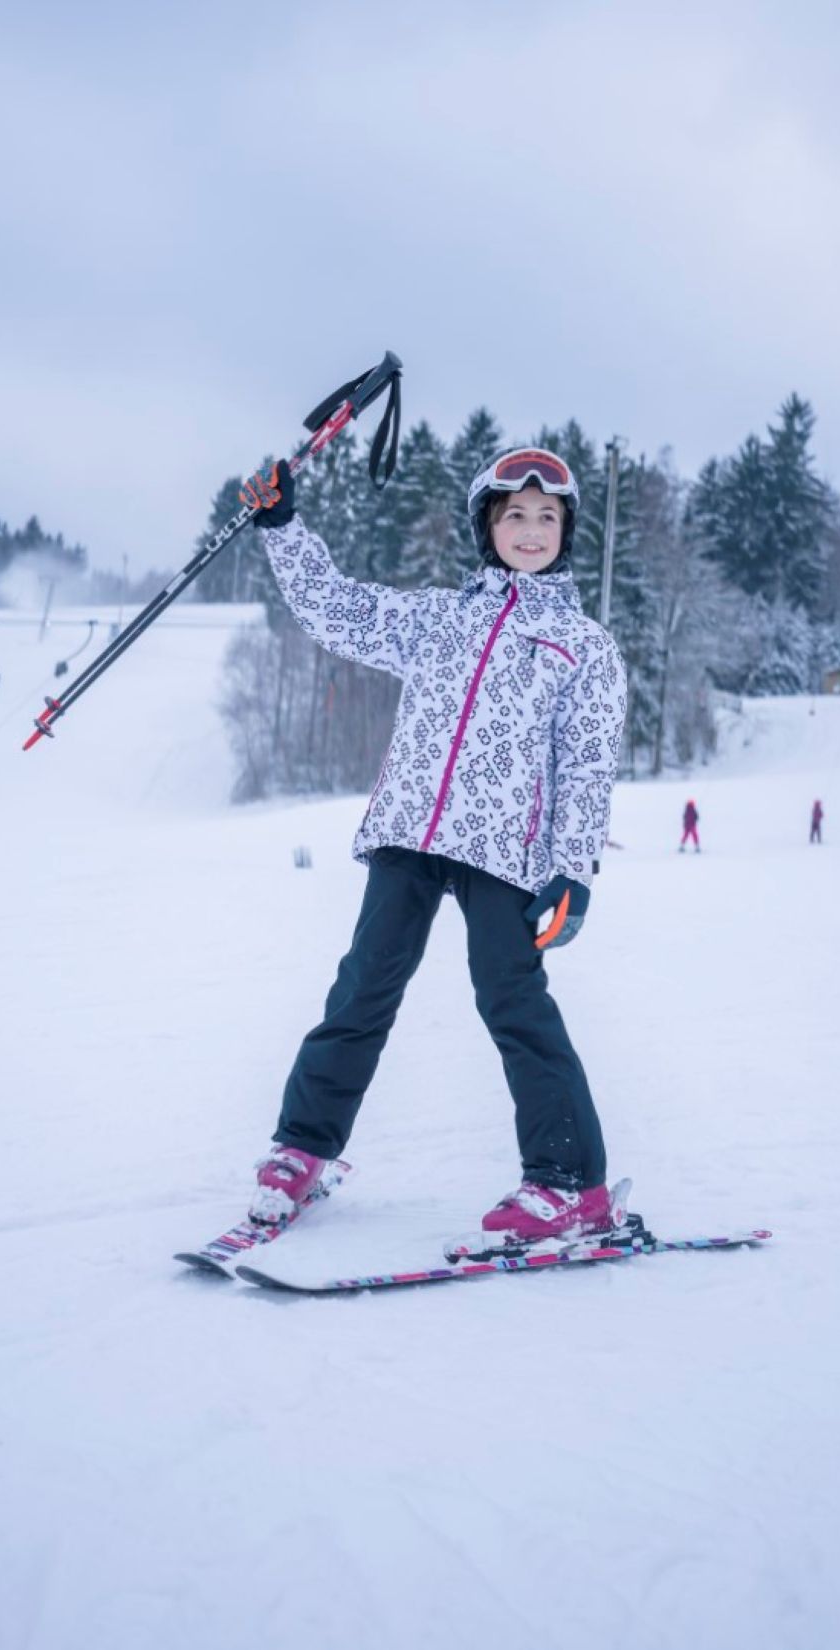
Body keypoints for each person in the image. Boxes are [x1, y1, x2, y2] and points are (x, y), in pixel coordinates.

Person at [237, 445, 626, 1246]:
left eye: (547, 516)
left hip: (506, 849)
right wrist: (283, 526)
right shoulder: (440, 619)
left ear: (566, 531)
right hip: (410, 831)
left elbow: (586, 764)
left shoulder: (583, 647)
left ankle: (569, 1183)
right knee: (362, 989)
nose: (530, 528)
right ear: (487, 525)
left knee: (512, 1001)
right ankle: (302, 1150)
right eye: (514, 513)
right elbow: (337, 610)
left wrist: (572, 868)